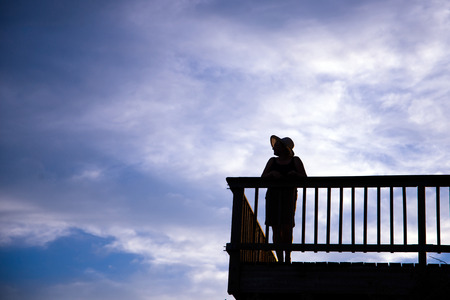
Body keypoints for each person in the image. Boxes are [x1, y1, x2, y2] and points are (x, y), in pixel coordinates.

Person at [262, 135, 307, 263]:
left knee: (287, 226)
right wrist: (271, 174)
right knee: (275, 227)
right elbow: (262, 177)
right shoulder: (272, 161)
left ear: (284, 148)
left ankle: (287, 256)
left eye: (276, 146)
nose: (273, 149)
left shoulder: (295, 161)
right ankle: (280, 258)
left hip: (288, 196)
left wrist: (295, 175)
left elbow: (304, 177)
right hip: (273, 196)